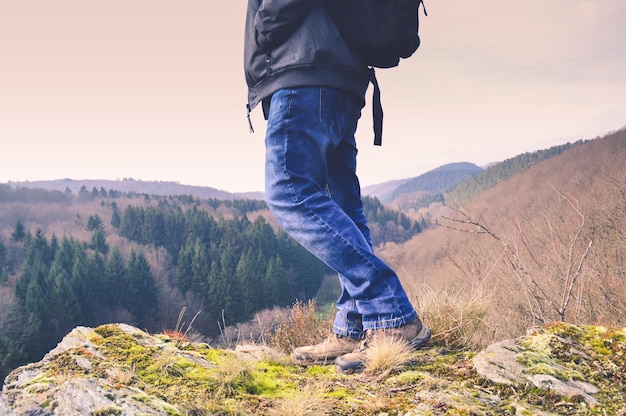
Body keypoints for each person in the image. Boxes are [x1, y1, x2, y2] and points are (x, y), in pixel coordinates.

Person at [244, 0, 431, 372]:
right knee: (341, 204)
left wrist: (265, 24)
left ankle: (391, 314)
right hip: (338, 73)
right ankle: (355, 323)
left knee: (288, 191)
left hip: (305, 68)